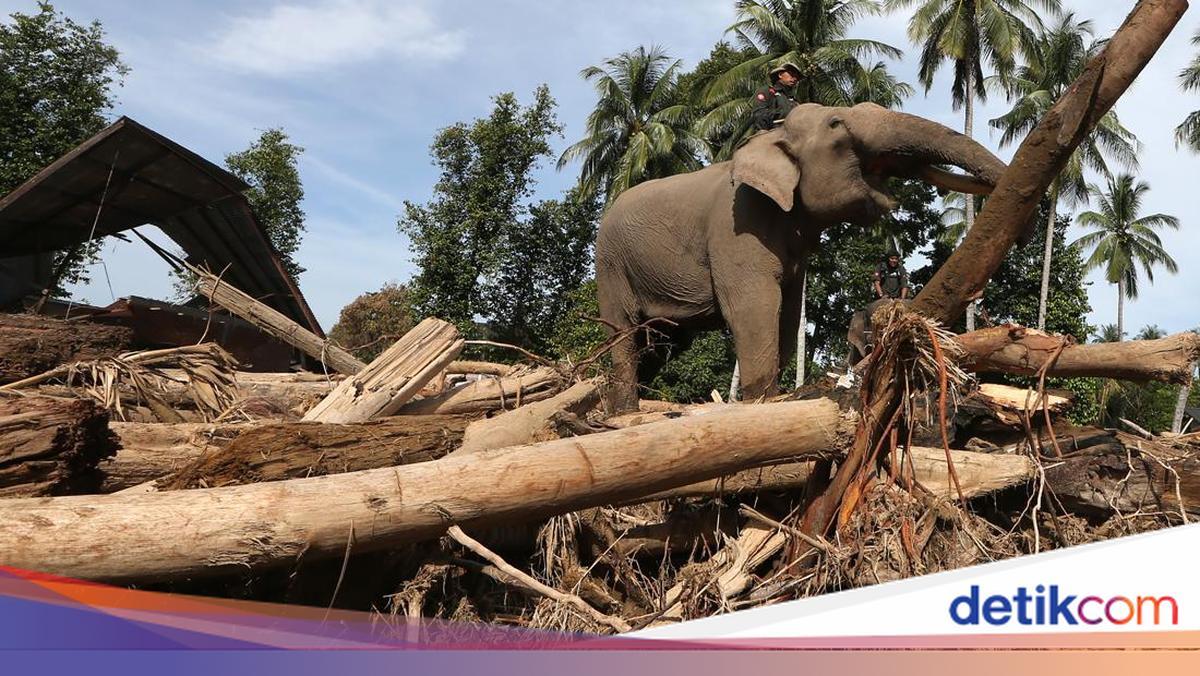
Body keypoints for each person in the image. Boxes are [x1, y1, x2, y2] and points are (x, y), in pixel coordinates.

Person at [751, 63, 802, 131]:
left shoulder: (794, 100)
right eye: (791, 74)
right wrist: (787, 114)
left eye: (797, 77)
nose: (795, 78)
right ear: (780, 75)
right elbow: (759, 115)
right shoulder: (767, 91)